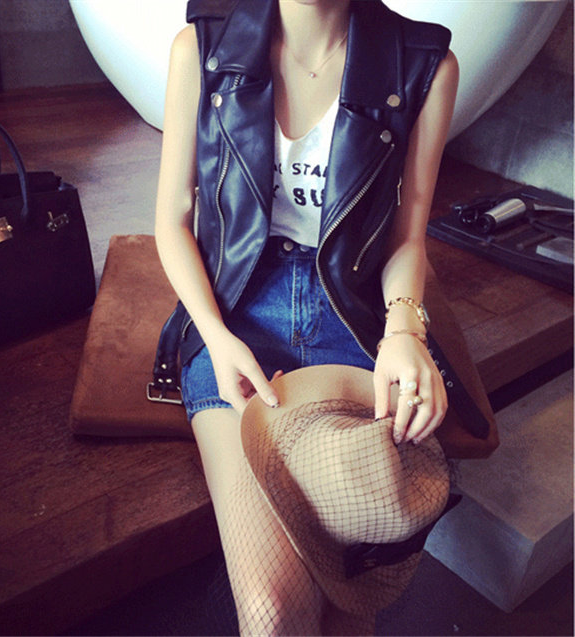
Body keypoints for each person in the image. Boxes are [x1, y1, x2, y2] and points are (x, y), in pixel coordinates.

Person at [155, 0, 459, 633]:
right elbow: (172, 221)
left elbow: (407, 234)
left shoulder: (423, 65)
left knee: (349, 606)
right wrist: (213, 336)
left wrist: (405, 329)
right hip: (235, 312)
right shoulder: (202, 48)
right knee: (272, 613)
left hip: (350, 312)